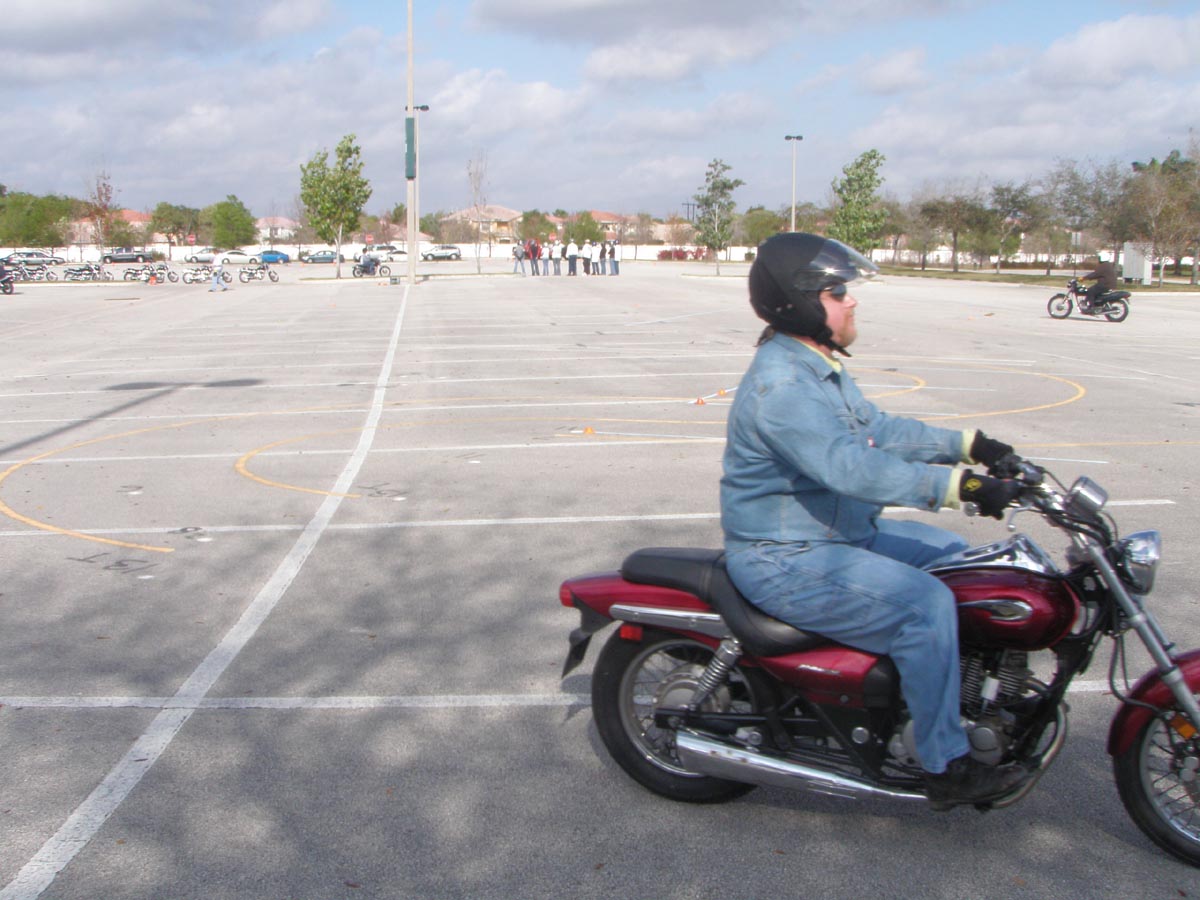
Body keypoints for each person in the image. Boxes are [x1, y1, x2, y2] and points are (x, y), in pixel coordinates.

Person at [720, 232, 1028, 810]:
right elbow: (852, 467)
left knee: (962, 561)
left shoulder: (814, 367)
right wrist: (958, 488)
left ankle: (947, 698)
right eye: (838, 292)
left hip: (839, 536)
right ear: (801, 302)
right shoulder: (783, 386)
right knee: (925, 605)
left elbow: (878, 430)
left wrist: (971, 446)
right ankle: (945, 764)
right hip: (784, 555)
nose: (852, 300)